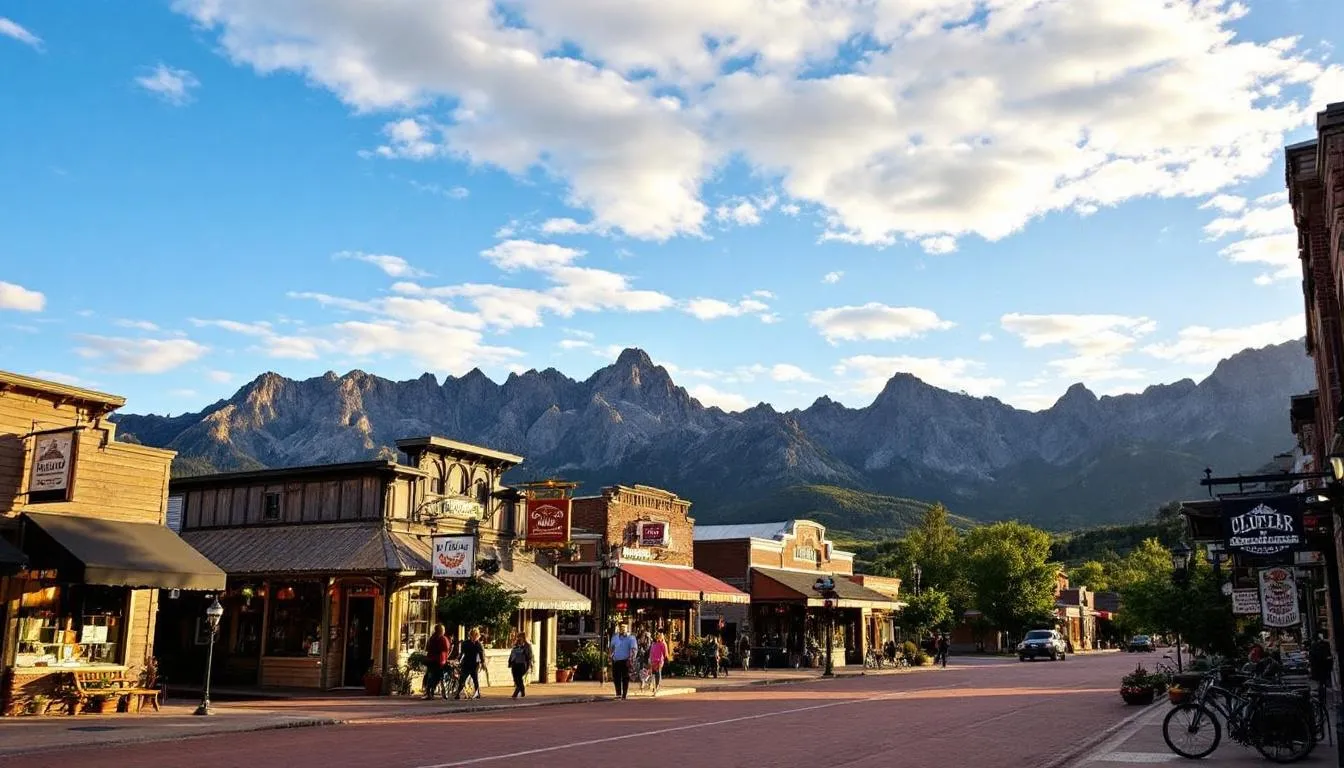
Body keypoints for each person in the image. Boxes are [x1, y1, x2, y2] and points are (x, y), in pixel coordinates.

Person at [609, 622, 638, 700]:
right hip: (616, 660)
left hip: (626, 661)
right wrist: (610, 657)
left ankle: (624, 694)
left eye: (624, 627)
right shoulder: (615, 637)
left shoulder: (631, 638)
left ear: (627, 628)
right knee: (616, 677)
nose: (622, 629)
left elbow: (634, 649)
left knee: (625, 678)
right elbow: (611, 648)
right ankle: (618, 694)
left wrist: (631, 659)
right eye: (621, 627)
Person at [455, 628, 486, 699]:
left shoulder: (478, 644)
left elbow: (481, 654)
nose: (475, 637)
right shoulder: (467, 643)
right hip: (467, 663)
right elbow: (462, 653)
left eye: (476, 636)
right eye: (474, 635)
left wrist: (483, 662)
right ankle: (458, 693)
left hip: (474, 664)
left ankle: (477, 693)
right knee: (463, 679)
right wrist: (458, 659)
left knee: (474, 679)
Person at [424, 624, 451, 699]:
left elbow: (427, 648)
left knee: (431, 676)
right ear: (441, 631)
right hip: (440, 661)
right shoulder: (443, 639)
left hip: (430, 660)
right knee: (441, 677)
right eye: (443, 630)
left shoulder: (431, 638)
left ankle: (429, 692)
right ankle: (443, 693)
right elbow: (446, 649)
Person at [508, 631, 534, 699]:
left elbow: (530, 656)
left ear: (523, 638)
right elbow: (512, 654)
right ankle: (522, 691)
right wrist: (510, 662)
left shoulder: (527, 646)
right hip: (515, 664)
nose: (519, 639)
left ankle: (517, 691)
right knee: (516, 678)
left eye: (520, 637)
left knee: (519, 677)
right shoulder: (516, 645)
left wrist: (529, 665)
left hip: (523, 664)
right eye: (518, 637)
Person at [648, 631, 669, 697]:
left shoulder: (663, 644)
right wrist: (649, 659)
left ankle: (656, 687)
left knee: (657, 674)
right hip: (652, 661)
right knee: (652, 675)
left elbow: (665, 653)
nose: (658, 637)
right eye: (657, 635)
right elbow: (651, 652)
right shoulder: (653, 643)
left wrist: (665, 659)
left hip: (659, 661)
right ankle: (653, 687)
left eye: (660, 635)